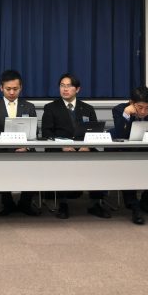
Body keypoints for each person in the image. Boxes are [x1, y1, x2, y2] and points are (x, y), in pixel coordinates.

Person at [42, 73, 110, 220]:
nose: (65, 89)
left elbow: (95, 131)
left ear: (77, 89)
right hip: (60, 149)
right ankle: (63, 203)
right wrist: (62, 146)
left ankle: (95, 203)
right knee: (61, 162)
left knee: (101, 161)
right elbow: (46, 133)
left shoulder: (87, 108)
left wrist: (88, 146)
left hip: (84, 149)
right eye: (62, 86)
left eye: (69, 86)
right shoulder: (51, 108)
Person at [112, 85, 148, 224]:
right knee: (128, 167)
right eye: (140, 107)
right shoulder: (120, 109)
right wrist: (127, 115)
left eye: (147, 108)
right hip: (127, 153)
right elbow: (120, 134)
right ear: (131, 103)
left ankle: (146, 203)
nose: (144, 111)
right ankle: (134, 206)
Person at [0, 70, 39, 216]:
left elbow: (34, 131)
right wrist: (11, 144)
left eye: (15, 89)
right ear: (1, 88)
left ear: (21, 88)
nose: (11, 92)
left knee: (36, 162)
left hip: (24, 149)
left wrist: (25, 146)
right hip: (2, 150)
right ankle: (7, 203)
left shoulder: (29, 106)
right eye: (8, 89)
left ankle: (25, 203)